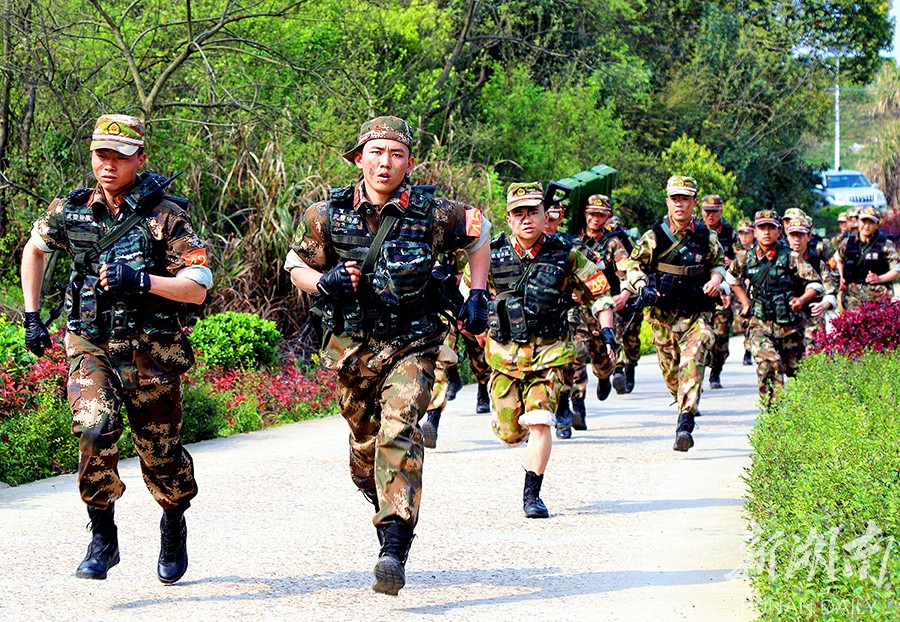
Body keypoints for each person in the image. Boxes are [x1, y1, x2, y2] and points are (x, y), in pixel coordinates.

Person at [284, 115, 490, 595]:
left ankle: (394, 547)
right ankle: (386, 502)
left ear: (409, 163)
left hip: (413, 344)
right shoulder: (326, 215)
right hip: (352, 350)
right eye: (376, 152)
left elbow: (481, 233)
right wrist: (323, 283)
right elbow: (297, 262)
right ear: (359, 158)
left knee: (399, 429)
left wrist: (477, 293)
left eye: (396, 154)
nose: (385, 162)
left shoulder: (435, 213)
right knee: (365, 450)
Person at [20, 114, 211, 583]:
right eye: (101, 155)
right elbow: (35, 248)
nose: (108, 165)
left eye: (120, 157)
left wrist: (143, 280)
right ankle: (102, 535)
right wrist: (31, 314)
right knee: (93, 427)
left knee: (159, 452)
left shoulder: (165, 215)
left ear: (140, 159)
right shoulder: (72, 210)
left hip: (151, 350)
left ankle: (173, 520)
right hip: (91, 343)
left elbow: (199, 285)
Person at [486, 182, 615, 517]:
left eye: (534, 211)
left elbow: (600, 291)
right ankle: (517, 435)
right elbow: (469, 291)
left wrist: (608, 327)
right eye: (519, 213)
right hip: (504, 355)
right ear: (509, 218)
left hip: (549, 352)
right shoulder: (492, 253)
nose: (527, 219)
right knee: (510, 432)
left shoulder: (566, 254)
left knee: (541, 420)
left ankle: (532, 494)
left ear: (546, 216)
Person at [622, 175, 728, 452]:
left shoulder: (708, 238)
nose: (680, 204)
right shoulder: (653, 237)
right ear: (668, 201)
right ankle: (681, 399)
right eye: (675, 198)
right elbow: (633, 267)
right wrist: (642, 286)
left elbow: (719, 265)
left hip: (696, 314)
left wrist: (716, 280)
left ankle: (685, 423)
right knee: (672, 375)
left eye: (685, 198)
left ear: (694, 202)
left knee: (694, 357)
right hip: (663, 317)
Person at [728, 210, 823, 406]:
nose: (766, 232)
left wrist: (802, 300)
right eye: (762, 228)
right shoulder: (746, 257)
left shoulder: (791, 257)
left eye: (771, 227)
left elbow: (815, 283)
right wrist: (745, 302)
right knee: (768, 363)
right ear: (755, 231)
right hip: (760, 323)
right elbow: (731, 279)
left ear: (779, 231)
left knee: (795, 370)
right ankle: (774, 412)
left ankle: (804, 411)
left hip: (789, 326)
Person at [421, 251, 492, 449]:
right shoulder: (427, 243)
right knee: (441, 358)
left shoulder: (466, 245)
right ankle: (432, 419)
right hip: (443, 307)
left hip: (468, 303)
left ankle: (482, 388)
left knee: (478, 354)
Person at [542, 199, 600, 438]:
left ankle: (572, 402)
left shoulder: (573, 245)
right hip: (540, 313)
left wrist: (582, 291)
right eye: (544, 213)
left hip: (570, 310)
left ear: (561, 216)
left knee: (576, 355)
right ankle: (559, 404)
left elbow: (596, 276)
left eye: (554, 214)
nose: (548, 219)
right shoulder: (523, 245)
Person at [579, 195, 631, 403]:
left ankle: (605, 376)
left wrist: (625, 293)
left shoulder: (612, 243)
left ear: (607, 216)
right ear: (585, 213)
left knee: (602, 357)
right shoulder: (574, 240)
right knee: (577, 353)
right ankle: (576, 403)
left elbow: (625, 269)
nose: (595, 218)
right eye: (592, 213)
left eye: (600, 214)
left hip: (603, 306)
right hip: (577, 307)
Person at [783, 217, 838, 349]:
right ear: (788, 237)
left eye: (801, 235)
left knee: (813, 353)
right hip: (784, 317)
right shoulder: (779, 260)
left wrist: (823, 305)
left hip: (811, 317)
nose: (797, 239)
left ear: (809, 237)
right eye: (793, 235)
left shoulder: (817, 263)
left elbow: (831, 290)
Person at [699, 194, 736, 389]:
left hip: (723, 291)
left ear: (721, 212)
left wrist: (732, 263)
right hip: (699, 291)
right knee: (698, 335)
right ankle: (695, 378)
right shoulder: (694, 230)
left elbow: (742, 261)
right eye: (707, 211)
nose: (710, 215)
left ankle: (716, 371)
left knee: (721, 336)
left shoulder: (729, 233)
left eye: (714, 211)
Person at [834, 206, 900, 311]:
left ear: (877, 225)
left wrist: (879, 279)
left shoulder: (886, 244)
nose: (866, 226)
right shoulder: (847, 243)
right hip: (852, 297)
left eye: (871, 223)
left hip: (879, 296)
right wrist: (842, 277)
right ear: (859, 221)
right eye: (864, 221)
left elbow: (897, 270)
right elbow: (838, 259)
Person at [734, 218, 755, 365]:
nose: (744, 236)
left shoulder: (759, 249)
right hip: (738, 293)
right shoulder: (735, 250)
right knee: (740, 323)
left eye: (747, 233)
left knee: (752, 322)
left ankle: (748, 351)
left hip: (755, 292)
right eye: (741, 233)